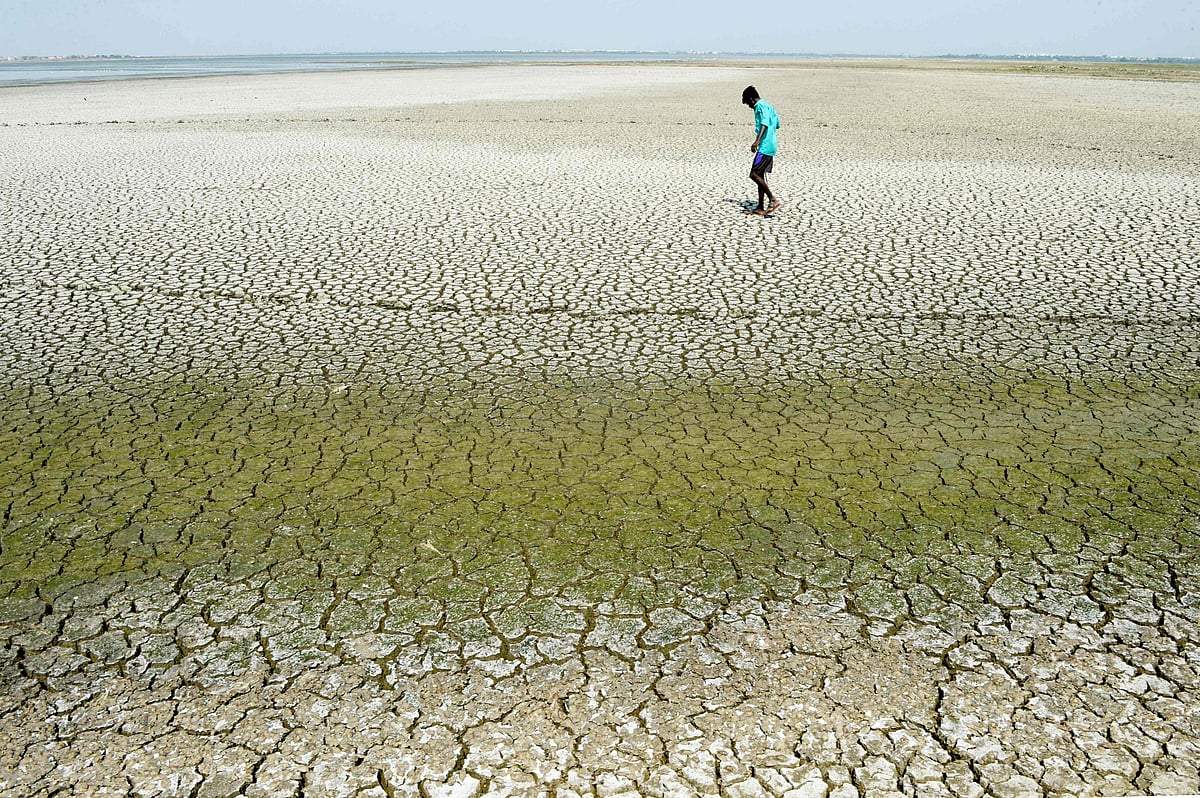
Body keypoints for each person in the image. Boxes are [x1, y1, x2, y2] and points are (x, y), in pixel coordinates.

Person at [742, 85, 781, 216]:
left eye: (748, 104)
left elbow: (764, 123)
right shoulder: (769, 106)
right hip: (771, 144)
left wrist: (757, 141)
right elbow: (777, 124)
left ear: (752, 99)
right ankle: (760, 207)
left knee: (754, 174)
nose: (749, 107)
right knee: (760, 176)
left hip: (764, 146)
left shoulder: (759, 106)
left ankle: (773, 199)